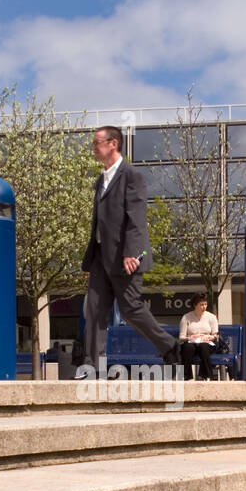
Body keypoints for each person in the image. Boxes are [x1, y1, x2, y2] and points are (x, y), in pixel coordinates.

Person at [81, 125, 179, 371]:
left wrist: (132, 253)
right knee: (93, 310)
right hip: (101, 260)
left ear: (113, 143)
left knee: (131, 309)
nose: (93, 148)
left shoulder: (131, 175)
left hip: (125, 257)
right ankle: (93, 366)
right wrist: (90, 260)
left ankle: (169, 345)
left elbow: (136, 217)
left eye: (96, 143)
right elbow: (98, 224)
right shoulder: (100, 180)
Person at [178, 293, 219, 380]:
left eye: (205, 304)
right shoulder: (186, 317)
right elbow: (181, 337)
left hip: (206, 343)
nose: (204, 307)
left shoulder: (211, 317)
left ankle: (206, 376)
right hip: (192, 343)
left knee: (204, 347)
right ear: (195, 305)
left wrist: (210, 337)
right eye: (201, 305)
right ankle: (186, 377)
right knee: (188, 348)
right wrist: (191, 338)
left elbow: (215, 335)